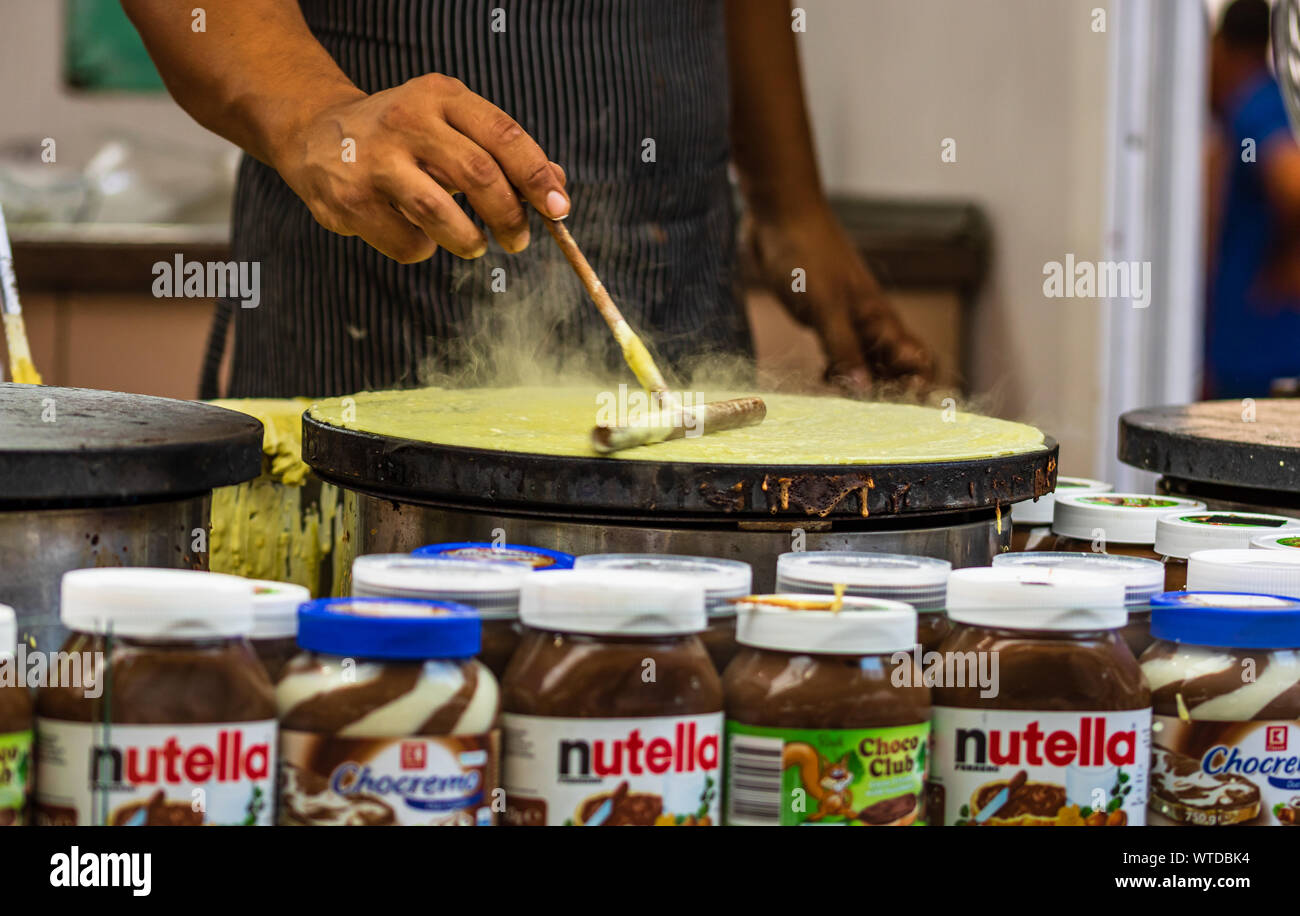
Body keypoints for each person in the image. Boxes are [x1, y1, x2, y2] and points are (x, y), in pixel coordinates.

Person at [122, 0, 932, 399]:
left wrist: (791, 202)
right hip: (376, 273)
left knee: (676, 659)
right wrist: (312, 114)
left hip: (681, 243)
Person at [1205, 0, 1300, 398]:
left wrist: (1286, 267)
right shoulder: (1257, 109)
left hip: (1260, 358)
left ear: (1222, 47)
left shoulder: (1255, 113)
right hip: (1249, 354)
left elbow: (1293, 185)